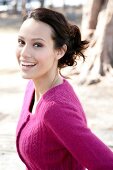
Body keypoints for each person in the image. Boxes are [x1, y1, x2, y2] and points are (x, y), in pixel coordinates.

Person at [16, 7, 113, 170]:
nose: (24, 53)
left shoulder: (56, 109)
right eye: (21, 42)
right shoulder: (32, 86)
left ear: (59, 51)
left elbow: (106, 164)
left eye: (38, 44)